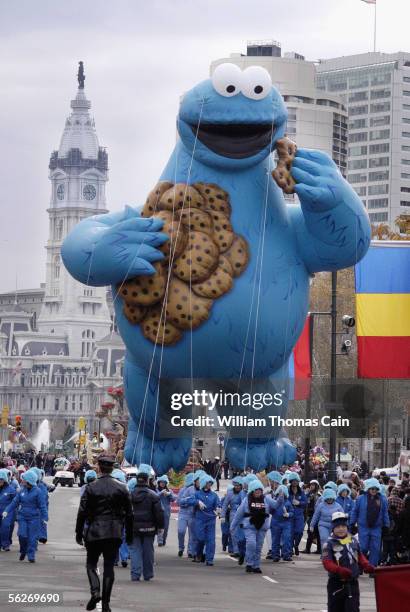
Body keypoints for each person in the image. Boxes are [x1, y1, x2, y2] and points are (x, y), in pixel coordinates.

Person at [75, 455, 133, 612]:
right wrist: (129, 535)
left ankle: (95, 591)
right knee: (109, 567)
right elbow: (129, 513)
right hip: (114, 532)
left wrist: (78, 532)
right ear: (113, 468)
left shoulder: (91, 487)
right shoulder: (122, 487)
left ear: (99, 468)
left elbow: (82, 512)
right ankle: (106, 603)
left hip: (94, 531)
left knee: (91, 564)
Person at [322, 511, 375, 612]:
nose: (341, 529)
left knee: (353, 608)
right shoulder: (329, 543)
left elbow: (359, 555)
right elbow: (327, 562)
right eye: (337, 527)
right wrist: (339, 570)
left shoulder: (353, 541)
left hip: (352, 583)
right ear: (333, 528)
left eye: (343, 526)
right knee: (335, 609)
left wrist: (366, 565)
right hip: (336, 584)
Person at [129, 464, 164, 582]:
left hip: (134, 528)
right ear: (147, 481)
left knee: (135, 550)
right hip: (149, 528)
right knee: (148, 551)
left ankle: (135, 574)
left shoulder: (130, 495)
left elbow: (125, 512)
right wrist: (160, 527)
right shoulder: (153, 495)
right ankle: (148, 574)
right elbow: (159, 513)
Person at [3, 470, 47, 563]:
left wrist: (45, 517)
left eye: (24, 479)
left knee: (32, 537)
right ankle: (23, 551)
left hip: (34, 517)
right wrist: (6, 511)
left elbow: (42, 506)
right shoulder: (21, 490)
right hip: (22, 516)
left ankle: (31, 555)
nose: (22, 481)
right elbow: (14, 502)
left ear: (29, 481)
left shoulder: (38, 492)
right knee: (22, 535)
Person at [230, 479, 274, 572]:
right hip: (249, 525)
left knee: (258, 547)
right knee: (251, 544)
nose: (258, 491)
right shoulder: (246, 500)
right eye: (256, 489)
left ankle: (256, 565)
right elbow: (239, 514)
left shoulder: (266, 499)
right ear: (252, 490)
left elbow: (276, 505)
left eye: (260, 489)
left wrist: (281, 498)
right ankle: (249, 563)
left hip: (262, 526)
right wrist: (233, 526)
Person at [349, 477, 389, 569]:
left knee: (375, 549)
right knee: (363, 547)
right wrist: (352, 523)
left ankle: (372, 568)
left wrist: (386, 526)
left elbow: (385, 513)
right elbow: (355, 511)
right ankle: (360, 566)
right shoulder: (361, 499)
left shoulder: (382, 499)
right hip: (363, 527)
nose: (374, 490)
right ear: (368, 489)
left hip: (376, 527)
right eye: (372, 488)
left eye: (375, 489)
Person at [191, 474, 220, 566]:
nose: (209, 485)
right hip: (200, 519)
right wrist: (197, 502)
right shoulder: (197, 494)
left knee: (211, 540)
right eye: (207, 483)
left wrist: (219, 509)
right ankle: (199, 553)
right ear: (203, 483)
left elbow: (218, 504)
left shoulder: (214, 495)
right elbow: (187, 501)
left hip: (211, 519)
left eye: (210, 483)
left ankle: (209, 559)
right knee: (200, 539)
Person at [221, 475, 245, 562]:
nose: (237, 487)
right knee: (233, 532)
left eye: (239, 485)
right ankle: (236, 551)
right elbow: (224, 505)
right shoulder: (230, 493)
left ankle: (242, 550)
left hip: (242, 515)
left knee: (242, 534)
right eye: (236, 485)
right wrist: (223, 516)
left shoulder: (243, 493)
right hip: (233, 514)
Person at [269, 484, 294, 562]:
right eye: (280, 493)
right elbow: (270, 511)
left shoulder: (288, 502)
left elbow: (292, 512)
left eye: (283, 493)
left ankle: (286, 555)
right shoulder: (274, 501)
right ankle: (275, 555)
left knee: (287, 539)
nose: (281, 494)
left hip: (286, 523)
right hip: (275, 522)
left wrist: (288, 514)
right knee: (275, 540)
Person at [288, 473, 307, 556]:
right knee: (290, 533)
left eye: (296, 481)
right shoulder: (288, 491)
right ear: (291, 481)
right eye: (293, 481)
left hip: (299, 515)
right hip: (290, 515)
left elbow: (305, 502)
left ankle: (296, 545)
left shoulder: (301, 492)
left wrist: (299, 503)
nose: (295, 482)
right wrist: (289, 503)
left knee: (299, 532)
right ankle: (291, 547)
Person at [177, 472, 196, 558]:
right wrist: (187, 502)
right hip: (183, 513)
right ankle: (181, 548)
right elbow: (178, 502)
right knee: (181, 531)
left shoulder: (197, 490)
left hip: (193, 514)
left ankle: (190, 551)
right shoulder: (182, 490)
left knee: (192, 534)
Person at [302, 479, 322, 554]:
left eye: (313, 485)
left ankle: (310, 549)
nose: (311, 486)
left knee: (314, 532)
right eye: (311, 485)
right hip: (309, 515)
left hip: (315, 515)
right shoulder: (309, 493)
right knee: (311, 532)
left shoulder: (318, 495)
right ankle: (310, 549)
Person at [156, 474, 176, 546]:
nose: (162, 484)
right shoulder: (156, 490)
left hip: (166, 511)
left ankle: (164, 539)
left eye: (164, 482)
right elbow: (154, 497)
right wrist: (160, 493)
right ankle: (160, 541)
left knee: (166, 527)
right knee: (159, 526)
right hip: (158, 511)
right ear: (158, 482)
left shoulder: (169, 490)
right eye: (161, 482)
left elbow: (174, 499)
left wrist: (169, 494)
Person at [0, 468, 17, 551]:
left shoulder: (11, 489)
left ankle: (5, 544)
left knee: (5, 527)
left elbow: (16, 502)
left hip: (7, 512)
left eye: (1, 480)